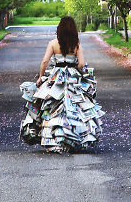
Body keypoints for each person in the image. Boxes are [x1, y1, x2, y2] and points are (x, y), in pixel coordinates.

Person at [19, 16, 104, 153]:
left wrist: (41, 76)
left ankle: (53, 137)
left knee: (51, 104)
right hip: (72, 76)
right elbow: (81, 63)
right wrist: (76, 68)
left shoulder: (53, 43)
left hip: (56, 75)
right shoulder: (76, 44)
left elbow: (44, 61)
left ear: (60, 29)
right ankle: (74, 137)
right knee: (76, 106)